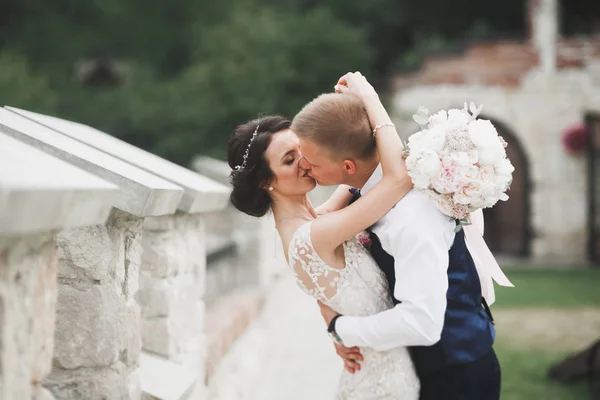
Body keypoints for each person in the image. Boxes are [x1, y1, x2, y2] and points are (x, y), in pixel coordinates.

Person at [291, 72, 501, 400]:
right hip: (420, 369)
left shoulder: (411, 217)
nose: (305, 167)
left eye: (312, 162)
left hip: (455, 377)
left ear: (347, 165)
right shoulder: (367, 193)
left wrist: (341, 329)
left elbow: (423, 323)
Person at [227, 72, 419, 399]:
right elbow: (399, 179)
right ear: (265, 183)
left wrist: (334, 326)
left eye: (300, 151)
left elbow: (351, 179)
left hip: (385, 372)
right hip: (384, 386)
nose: (305, 163)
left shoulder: (317, 219)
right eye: (289, 160)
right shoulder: (315, 234)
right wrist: (370, 98)